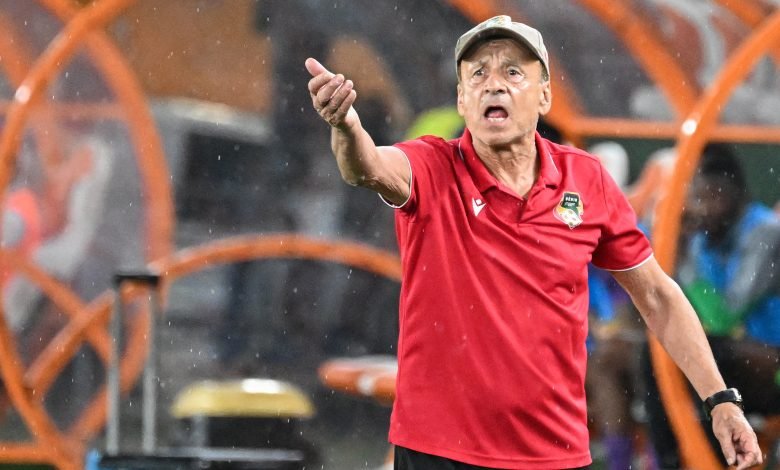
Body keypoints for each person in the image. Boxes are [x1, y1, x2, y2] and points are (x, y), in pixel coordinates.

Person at [304, 15, 762, 469]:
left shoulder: (587, 179)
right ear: (462, 99)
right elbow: (366, 167)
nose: (494, 84)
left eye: (513, 72)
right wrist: (346, 127)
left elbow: (659, 297)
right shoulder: (431, 166)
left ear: (544, 95)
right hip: (440, 452)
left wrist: (721, 400)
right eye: (478, 74)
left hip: (553, 453)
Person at [644, 144, 780, 468]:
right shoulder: (705, 236)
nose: (703, 209)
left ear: (734, 193)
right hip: (736, 354)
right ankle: (673, 459)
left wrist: (684, 255)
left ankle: (713, 459)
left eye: (710, 198)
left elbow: (723, 317)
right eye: (698, 199)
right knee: (656, 351)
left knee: (703, 356)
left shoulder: (765, 232)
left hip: (771, 361)